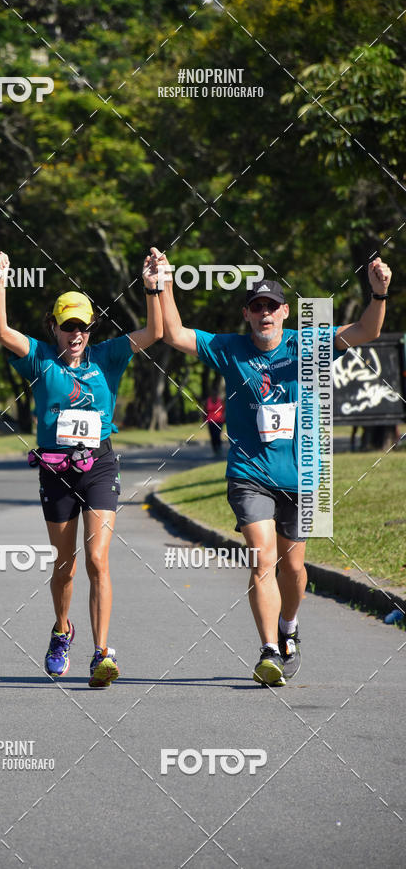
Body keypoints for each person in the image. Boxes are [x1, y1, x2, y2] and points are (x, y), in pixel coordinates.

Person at [159, 251, 391, 686]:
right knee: (261, 559)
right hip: (249, 473)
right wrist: (165, 281)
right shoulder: (229, 349)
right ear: (247, 313)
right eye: (256, 307)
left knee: (294, 568)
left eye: (272, 307)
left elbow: (366, 330)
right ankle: (268, 650)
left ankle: (289, 626)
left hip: (301, 474)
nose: (264, 314)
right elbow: (173, 334)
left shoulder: (306, 346)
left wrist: (379, 292)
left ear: (285, 312)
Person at [0, 249, 163, 687]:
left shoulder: (107, 356)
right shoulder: (39, 359)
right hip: (56, 470)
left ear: (91, 328)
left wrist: (153, 284)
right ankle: (62, 628)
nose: (75, 334)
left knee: (98, 559)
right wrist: (0, 281)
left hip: (100, 464)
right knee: (64, 565)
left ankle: (102, 653)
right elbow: (0, 330)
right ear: (55, 327)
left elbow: (157, 330)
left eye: (82, 326)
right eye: (68, 326)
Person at [205, 387, 225, 457]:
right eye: (213, 394)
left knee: (217, 435)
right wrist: (204, 419)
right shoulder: (208, 401)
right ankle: (214, 450)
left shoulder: (220, 401)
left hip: (219, 421)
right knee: (212, 436)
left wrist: (224, 416)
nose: (214, 395)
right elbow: (205, 411)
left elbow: (225, 409)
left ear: (217, 394)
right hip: (210, 421)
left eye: (215, 394)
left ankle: (219, 449)